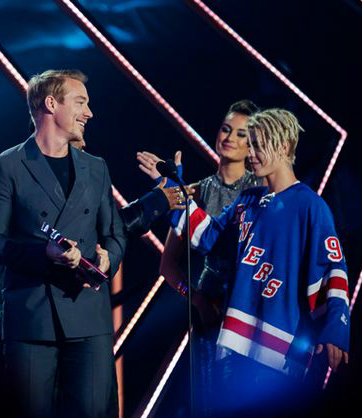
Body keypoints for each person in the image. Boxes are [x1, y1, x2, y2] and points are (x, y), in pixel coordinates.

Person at [169, 108, 350, 417]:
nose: (249, 153)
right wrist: (177, 191)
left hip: (279, 356)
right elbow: (207, 238)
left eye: (257, 144)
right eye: (249, 144)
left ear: (284, 145)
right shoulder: (247, 201)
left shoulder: (311, 206)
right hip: (234, 347)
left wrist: (336, 327)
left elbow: (333, 270)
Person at [0, 69, 129, 418]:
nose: (89, 113)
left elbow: (115, 234)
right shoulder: (5, 166)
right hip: (32, 319)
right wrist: (43, 255)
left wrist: (108, 260)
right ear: (50, 104)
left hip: (89, 317)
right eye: (80, 102)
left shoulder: (96, 167)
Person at [136, 100, 260, 416]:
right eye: (226, 129)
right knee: (213, 402)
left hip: (254, 312)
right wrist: (198, 300)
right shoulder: (194, 193)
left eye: (241, 134)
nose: (229, 137)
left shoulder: (262, 191)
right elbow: (168, 266)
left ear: (252, 145)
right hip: (210, 314)